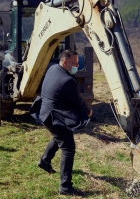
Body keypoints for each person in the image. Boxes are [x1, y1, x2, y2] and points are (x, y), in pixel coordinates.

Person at [30, 49, 92, 196]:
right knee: (68, 148)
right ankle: (65, 186)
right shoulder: (68, 80)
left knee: (59, 137)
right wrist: (88, 112)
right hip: (53, 116)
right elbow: (78, 101)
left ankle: (45, 161)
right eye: (75, 63)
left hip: (46, 112)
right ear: (65, 62)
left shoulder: (53, 68)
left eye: (78, 62)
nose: (77, 65)